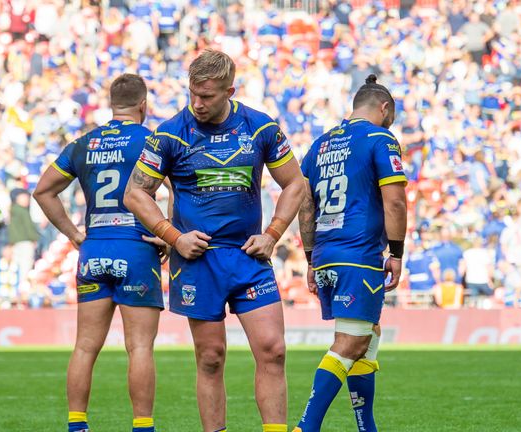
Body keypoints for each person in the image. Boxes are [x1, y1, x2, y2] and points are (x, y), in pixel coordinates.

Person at [124, 49, 305, 432]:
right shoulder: (170, 134)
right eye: (193, 93)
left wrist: (273, 234)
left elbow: (295, 183)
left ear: (229, 91)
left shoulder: (260, 128)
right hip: (198, 261)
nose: (197, 103)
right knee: (211, 357)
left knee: (273, 351)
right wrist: (173, 237)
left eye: (207, 96)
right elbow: (135, 194)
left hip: (248, 258)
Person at [33, 74, 164, 432]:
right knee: (139, 347)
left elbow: (43, 191)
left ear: (111, 104)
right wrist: (168, 233)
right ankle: (142, 427)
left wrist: (74, 234)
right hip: (136, 247)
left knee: (85, 347)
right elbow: (182, 189)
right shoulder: (152, 141)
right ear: (143, 105)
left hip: (94, 248)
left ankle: (77, 425)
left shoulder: (85, 143)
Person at [294, 74, 407, 432]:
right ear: (384, 108)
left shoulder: (321, 144)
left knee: (368, 337)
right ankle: (305, 427)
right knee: (350, 342)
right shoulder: (380, 138)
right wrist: (398, 252)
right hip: (357, 253)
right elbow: (396, 202)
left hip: (327, 253)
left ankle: (366, 427)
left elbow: (304, 206)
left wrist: (311, 258)